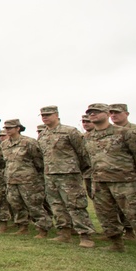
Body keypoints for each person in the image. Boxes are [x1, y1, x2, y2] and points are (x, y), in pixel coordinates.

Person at [83, 104, 136, 256]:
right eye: (90, 113)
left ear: (107, 114)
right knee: (106, 215)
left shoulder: (125, 133)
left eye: (96, 112)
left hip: (125, 181)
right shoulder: (88, 137)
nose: (92, 115)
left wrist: (130, 172)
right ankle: (116, 243)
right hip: (100, 182)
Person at [38, 106, 95, 247]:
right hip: (50, 174)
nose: (45, 117)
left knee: (75, 204)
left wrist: (76, 169)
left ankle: (85, 235)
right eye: (43, 115)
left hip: (69, 174)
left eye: (48, 114)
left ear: (56, 115)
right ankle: (64, 233)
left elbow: (83, 153)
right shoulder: (43, 135)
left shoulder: (70, 131)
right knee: (56, 205)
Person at [1, 119, 53, 237]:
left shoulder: (29, 142)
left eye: (10, 128)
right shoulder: (4, 144)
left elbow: (39, 161)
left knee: (34, 204)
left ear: (18, 128)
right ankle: (22, 226)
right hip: (11, 179)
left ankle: (43, 228)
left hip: (28, 180)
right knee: (16, 204)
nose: (7, 130)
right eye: (6, 128)